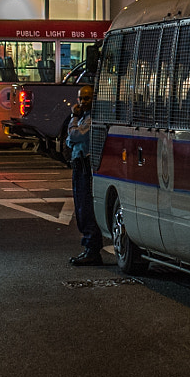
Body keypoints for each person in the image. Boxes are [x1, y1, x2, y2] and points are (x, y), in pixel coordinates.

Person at [66, 84, 101, 265]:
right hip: (79, 164)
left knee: (86, 207)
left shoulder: (90, 119)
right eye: (81, 98)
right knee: (80, 206)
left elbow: (75, 136)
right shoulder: (83, 118)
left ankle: (92, 249)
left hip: (86, 166)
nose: (83, 102)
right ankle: (89, 247)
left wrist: (73, 118)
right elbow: (69, 139)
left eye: (87, 98)